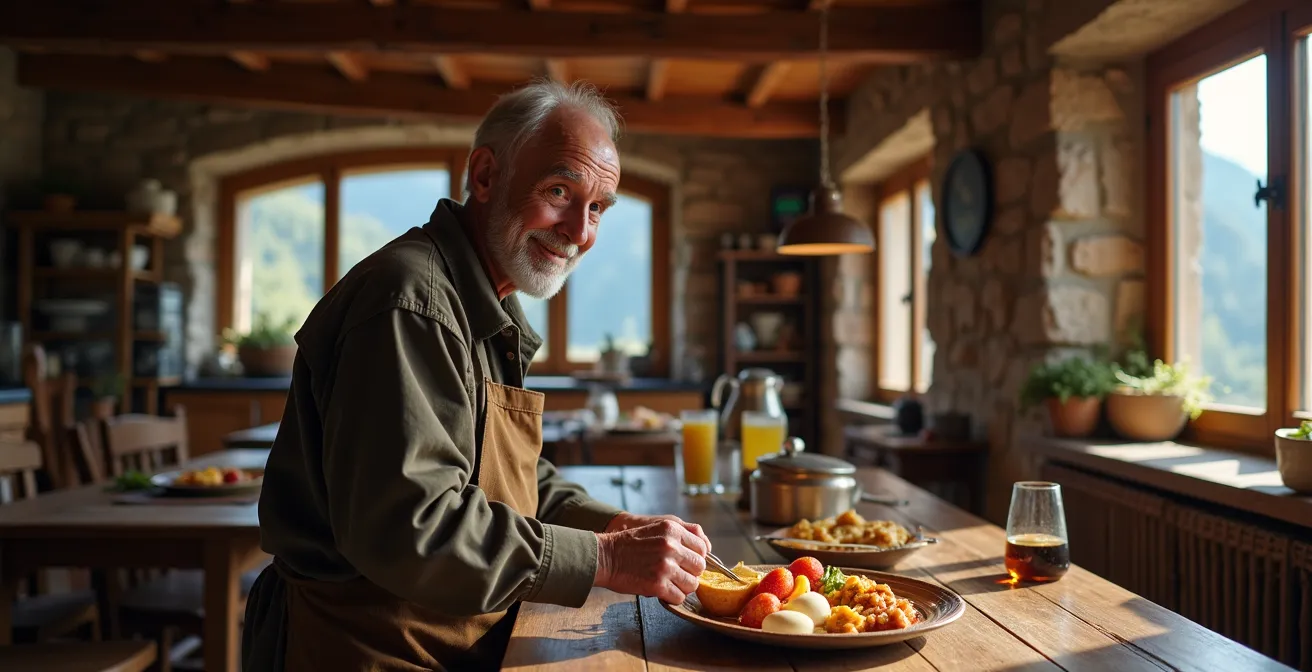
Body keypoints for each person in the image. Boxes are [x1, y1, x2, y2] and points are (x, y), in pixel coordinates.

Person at [241, 80, 711, 672]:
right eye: (559, 192)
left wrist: (615, 527)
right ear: (485, 176)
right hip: (371, 646)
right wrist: (607, 559)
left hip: (452, 638)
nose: (579, 232)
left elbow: (509, 478)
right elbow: (413, 528)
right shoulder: (411, 302)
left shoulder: (485, 298)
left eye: (596, 209)